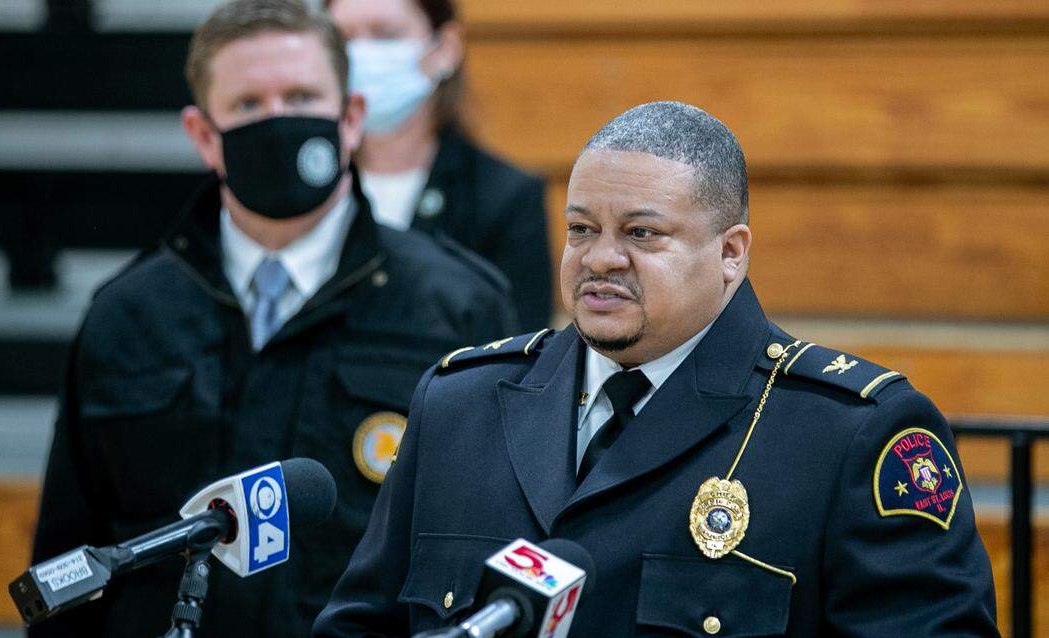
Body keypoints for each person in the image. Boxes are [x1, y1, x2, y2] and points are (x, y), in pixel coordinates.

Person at [313, 102, 1000, 637]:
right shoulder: (460, 404)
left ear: (730, 253)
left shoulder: (848, 433)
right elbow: (360, 625)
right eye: (582, 229)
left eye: (642, 233)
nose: (600, 258)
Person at [29, 1, 517, 636]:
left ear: (350, 119)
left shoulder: (458, 308)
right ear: (204, 135)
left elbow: (489, 551)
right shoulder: (127, 315)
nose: (278, 121)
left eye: (301, 96)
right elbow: (69, 565)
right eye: (249, 105)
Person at [327, 0, 553, 330]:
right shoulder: (300, 185)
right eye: (342, 39)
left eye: (386, 35)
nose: (360, 54)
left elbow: (525, 355)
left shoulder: (504, 197)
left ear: (445, 48)